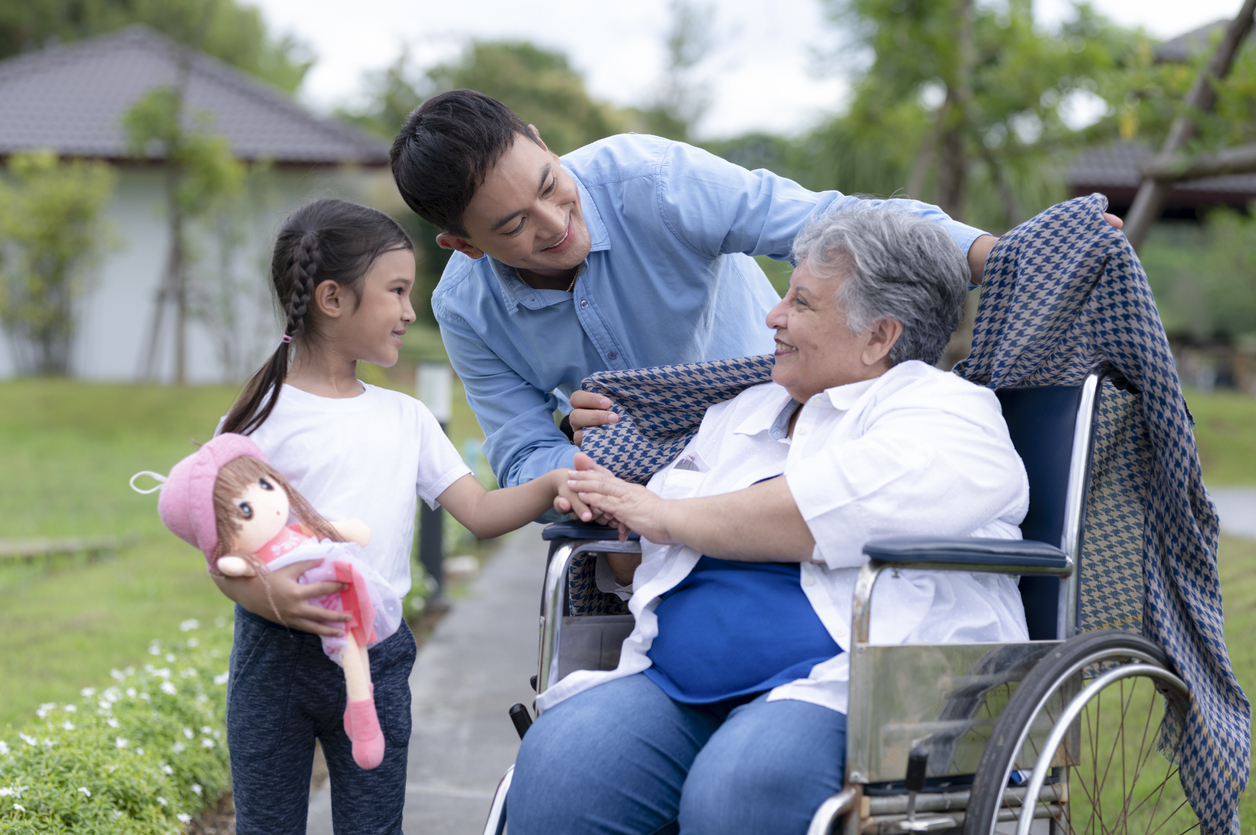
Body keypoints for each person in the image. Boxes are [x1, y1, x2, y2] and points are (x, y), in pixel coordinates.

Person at [504, 207, 1033, 835]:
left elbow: (828, 508)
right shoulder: (746, 411)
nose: (773, 316)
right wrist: (615, 514)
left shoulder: (947, 412)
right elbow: (644, 547)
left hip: (848, 689)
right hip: (675, 679)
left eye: (801, 303)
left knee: (742, 790)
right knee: (560, 764)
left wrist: (662, 513)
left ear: (879, 336)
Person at [388, 89, 1000, 496]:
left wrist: (1005, 259)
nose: (555, 223)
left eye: (550, 185)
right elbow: (522, 458)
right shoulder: (465, 309)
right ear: (464, 246)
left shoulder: (655, 182)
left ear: (543, 143)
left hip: (786, 435)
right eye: (514, 226)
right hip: (642, 503)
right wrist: (585, 456)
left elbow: (837, 224)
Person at [205, 198, 590, 835]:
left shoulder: (405, 417)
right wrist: (266, 593)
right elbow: (223, 552)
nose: (411, 310)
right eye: (397, 290)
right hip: (272, 659)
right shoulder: (258, 419)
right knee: (266, 826)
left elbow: (482, 512)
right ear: (332, 298)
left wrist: (552, 482)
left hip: (377, 658)